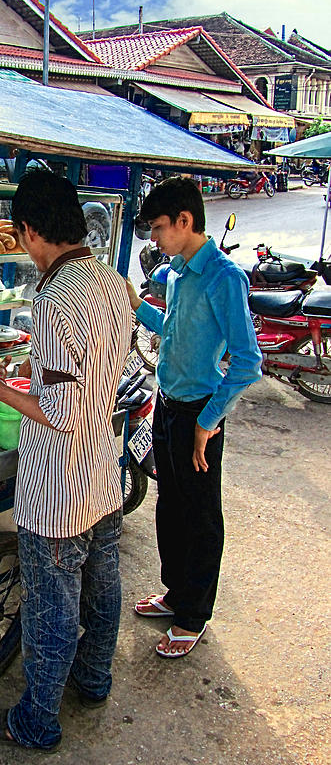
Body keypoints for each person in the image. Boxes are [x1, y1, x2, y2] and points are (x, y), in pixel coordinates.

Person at [0, 169, 131, 751]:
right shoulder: (112, 282)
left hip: (57, 488)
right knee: (103, 588)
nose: (22, 247)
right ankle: (92, 679)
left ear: (32, 229)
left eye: (20, 236)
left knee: (51, 608)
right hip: (101, 473)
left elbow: (58, 410)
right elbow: (104, 374)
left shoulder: (55, 298)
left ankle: (36, 720)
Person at [126, 177, 261, 658]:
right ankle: (175, 592)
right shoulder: (179, 272)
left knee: (201, 516)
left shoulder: (224, 278)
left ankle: (193, 614)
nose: (156, 239)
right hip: (166, 403)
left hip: (198, 413)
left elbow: (247, 361)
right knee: (170, 506)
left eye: (160, 228)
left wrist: (208, 421)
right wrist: (139, 304)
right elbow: (174, 331)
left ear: (185, 221)